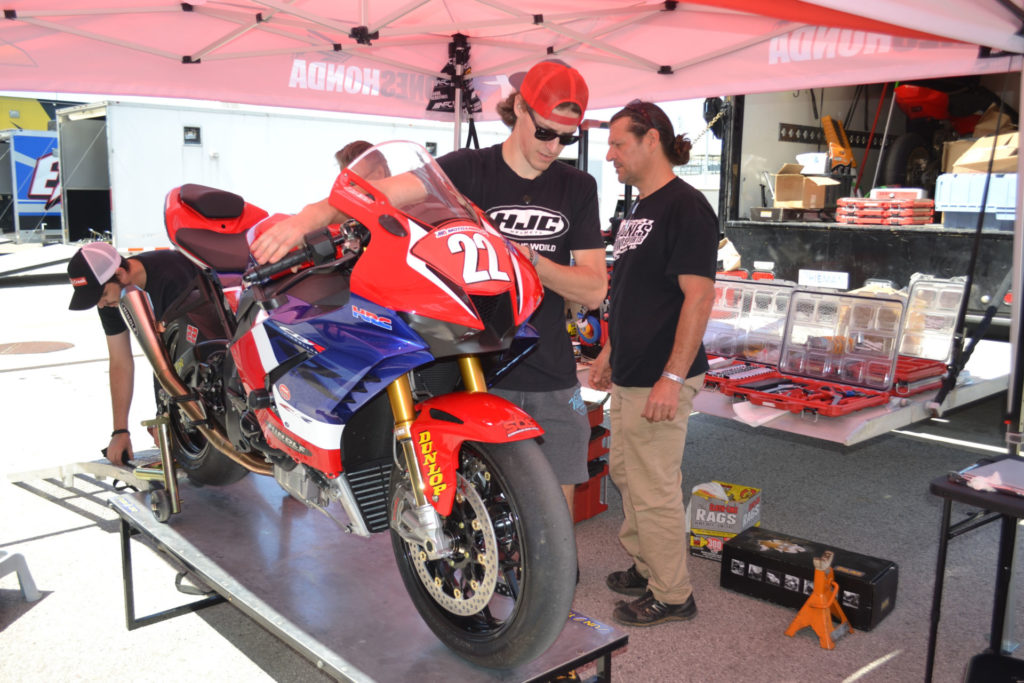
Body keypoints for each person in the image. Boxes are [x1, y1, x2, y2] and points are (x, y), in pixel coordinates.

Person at [251, 59, 607, 516]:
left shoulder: (578, 187)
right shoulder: (466, 169)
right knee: (470, 504)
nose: (555, 147)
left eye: (568, 137)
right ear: (519, 108)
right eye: (545, 132)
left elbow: (594, 290)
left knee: (555, 513)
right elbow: (375, 194)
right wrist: (307, 219)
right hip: (470, 365)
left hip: (549, 366)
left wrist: (528, 259)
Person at [588, 100, 718, 627]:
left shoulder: (686, 207)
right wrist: (609, 352)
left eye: (619, 143)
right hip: (631, 369)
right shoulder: (639, 207)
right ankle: (647, 565)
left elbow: (698, 299)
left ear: (651, 140)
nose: (610, 154)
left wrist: (670, 377)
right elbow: (635, 293)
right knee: (626, 471)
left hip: (661, 375)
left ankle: (672, 593)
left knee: (653, 484)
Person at [67, 242, 199, 466]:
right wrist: (120, 431)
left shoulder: (172, 275)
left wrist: (168, 416)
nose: (101, 303)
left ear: (119, 274)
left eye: (101, 294)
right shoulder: (112, 299)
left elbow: (185, 356)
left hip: (207, 354)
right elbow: (120, 361)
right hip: (177, 361)